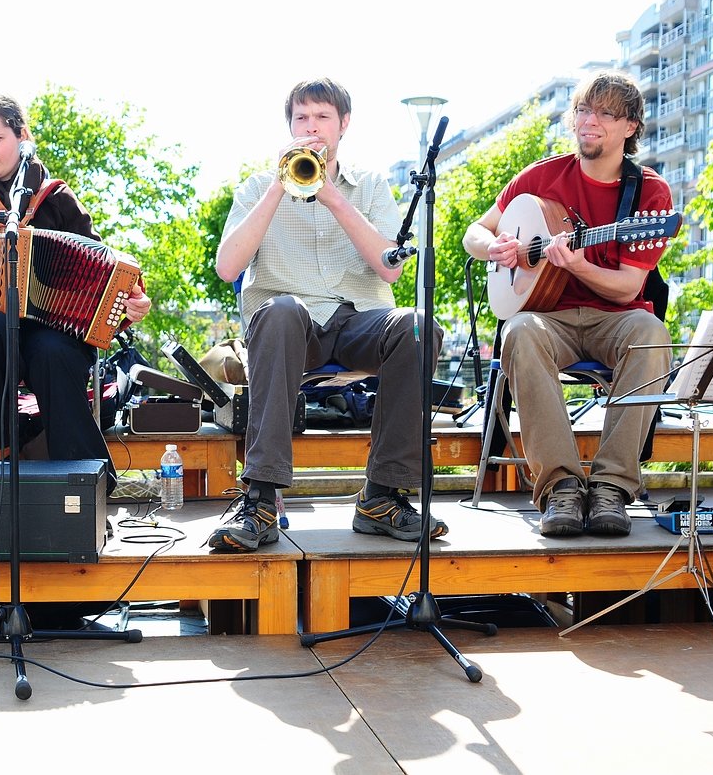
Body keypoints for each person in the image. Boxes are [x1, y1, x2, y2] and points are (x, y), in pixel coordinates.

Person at [209, 77, 448, 553]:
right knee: (280, 310)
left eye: (322, 117)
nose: (312, 127)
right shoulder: (257, 187)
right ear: (289, 126)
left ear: (344, 125)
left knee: (419, 326)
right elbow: (228, 267)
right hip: (290, 324)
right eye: (302, 118)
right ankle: (260, 498)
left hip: (359, 319)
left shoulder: (373, 185)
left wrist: (333, 197)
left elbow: (389, 268)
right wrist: (280, 188)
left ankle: (382, 495)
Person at [462, 69, 673, 538]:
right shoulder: (542, 176)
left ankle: (613, 488)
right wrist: (491, 247)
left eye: (605, 113)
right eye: (583, 110)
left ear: (631, 126)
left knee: (651, 333)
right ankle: (560, 487)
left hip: (613, 318)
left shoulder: (648, 194)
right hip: (546, 316)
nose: (589, 121)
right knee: (518, 331)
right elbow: (475, 231)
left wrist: (576, 265)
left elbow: (625, 288)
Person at [0, 94, 150, 493]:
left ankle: (86, 482)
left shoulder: (55, 197)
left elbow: (104, 269)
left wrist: (131, 304)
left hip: (50, 329)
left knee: (53, 351)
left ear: (21, 136)